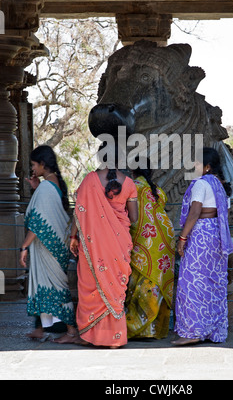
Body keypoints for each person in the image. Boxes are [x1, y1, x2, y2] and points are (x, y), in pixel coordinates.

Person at [69, 145, 138, 348]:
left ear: (100, 157)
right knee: (114, 287)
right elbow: (133, 218)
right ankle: (114, 337)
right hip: (119, 245)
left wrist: (73, 237)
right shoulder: (129, 184)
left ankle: (92, 336)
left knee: (91, 288)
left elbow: (79, 212)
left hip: (93, 246)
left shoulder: (90, 180)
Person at [172, 147, 233, 346]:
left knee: (191, 283)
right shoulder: (220, 185)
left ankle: (193, 331)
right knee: (213, 283)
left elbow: (194, 212)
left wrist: (182, 238)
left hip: (201, 236)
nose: (194, 166)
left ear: (207, 167)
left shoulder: (201, 184)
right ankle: (212, 330)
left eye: (197, 163)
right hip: (218, 235)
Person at [19, 145, 77, 342]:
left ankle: (71, 331)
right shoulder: (52, 185)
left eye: (34, 165)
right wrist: (36, 188)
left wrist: (24, 246)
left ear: (43, 164)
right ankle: (40, 329)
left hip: (48, 247)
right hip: (56, 247)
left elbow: (38, 223)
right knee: (48, 284)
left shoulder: (46, 188)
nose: (32, 169)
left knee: (57, 287)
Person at [125, 163, 175, 339]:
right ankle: (154, 330)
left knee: (141, 282)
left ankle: (138, 329)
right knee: (155, 284)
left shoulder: (132, 186)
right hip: (163, 241)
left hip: (144, 240)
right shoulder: (157, 190)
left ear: (132, 170)